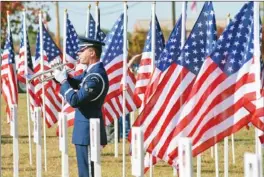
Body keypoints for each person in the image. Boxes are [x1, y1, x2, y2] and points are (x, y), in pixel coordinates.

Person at [53, 37, 109, 177]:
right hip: (84, 130)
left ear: (92, 53)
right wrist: (59, 75)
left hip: (89, 131)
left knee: (87, 173)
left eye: (82, 50)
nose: (78, 54)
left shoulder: (96, 77)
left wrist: (64, 80)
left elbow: (75, 100)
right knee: (84, 172)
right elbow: (76, 82)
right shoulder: (90, 73)